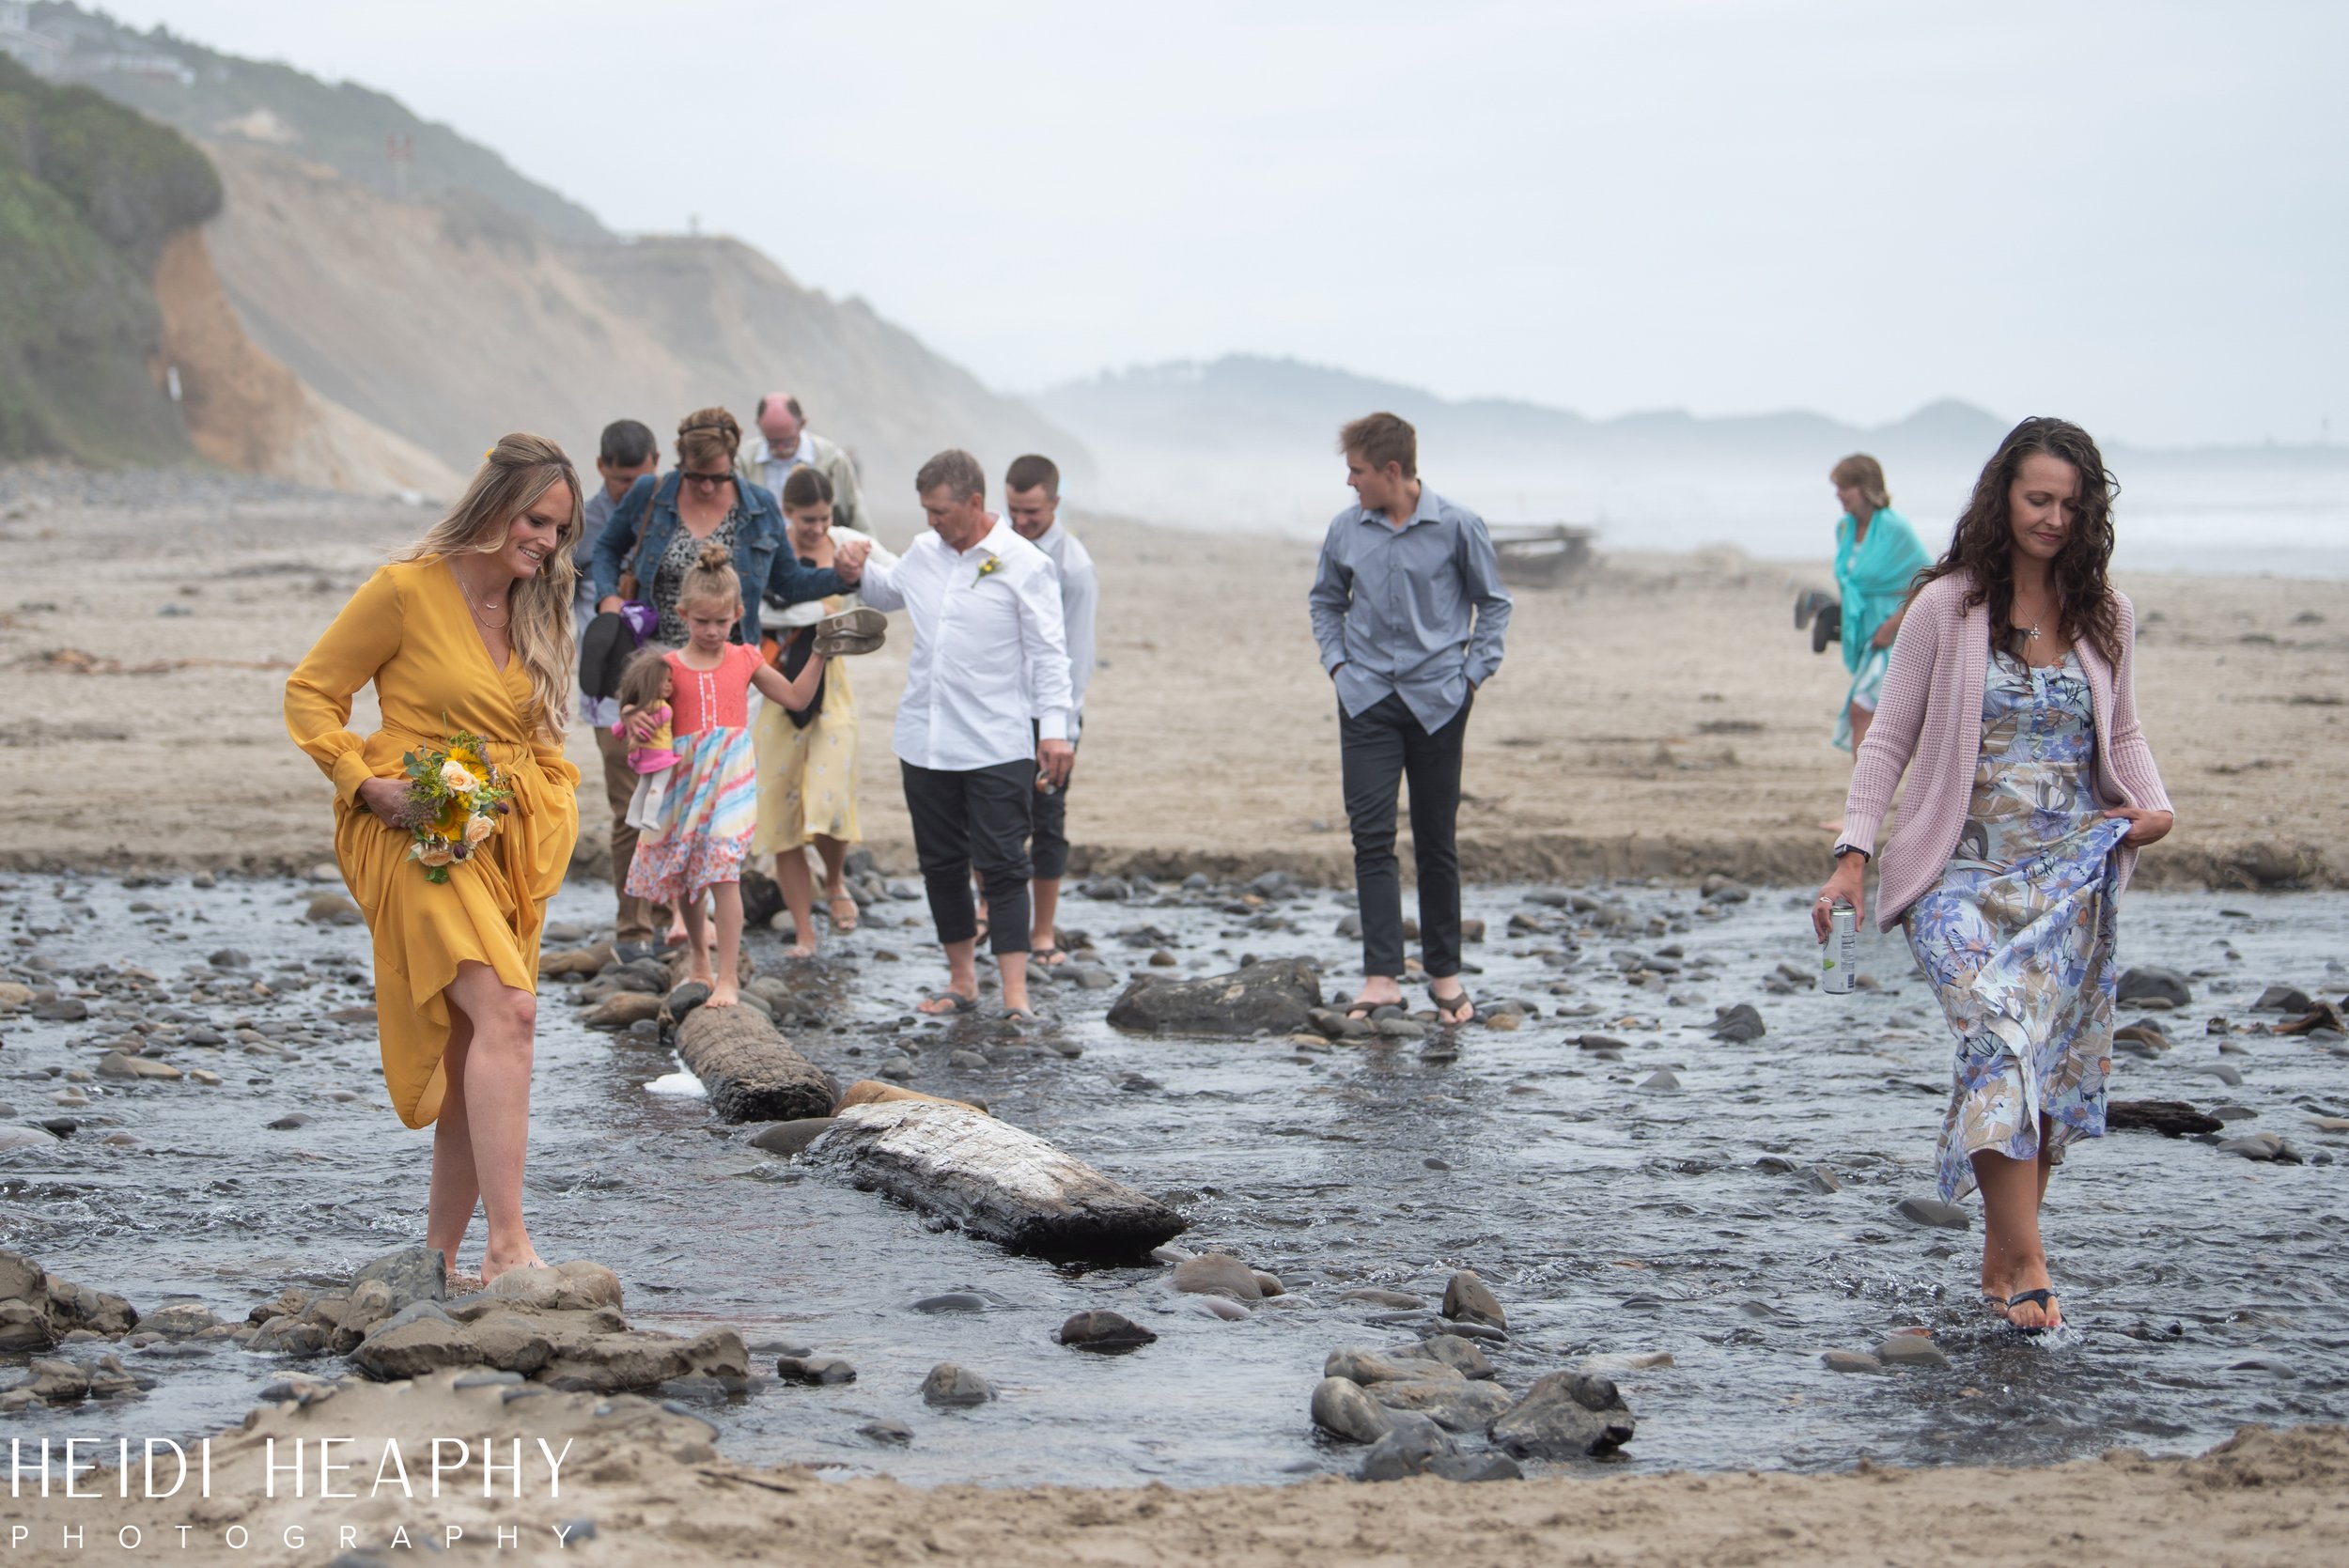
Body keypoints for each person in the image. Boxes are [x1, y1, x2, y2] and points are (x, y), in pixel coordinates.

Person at [1815, 416, 2173, 1333]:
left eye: (2069, 503)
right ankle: (2029, 1259)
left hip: (2069, 873)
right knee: (1997, 1040)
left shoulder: (2105, 612)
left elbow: (2121, 733)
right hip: (1957, 873)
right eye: (2036, 499)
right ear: (2002, 498)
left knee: (2048, 1070)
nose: (2052, 517)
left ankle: (2000, 1248)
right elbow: (1888, 737)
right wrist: (1851, 859)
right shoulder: (1949, 607)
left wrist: (2151, 803)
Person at [285, 433, 583, 1283]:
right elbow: (311, 690)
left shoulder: (535, 602)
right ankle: (510, 1245)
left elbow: (536, 729)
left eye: (559, 529)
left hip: (498, 836)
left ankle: (437, 1257)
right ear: (492, 506)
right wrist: (360, 782)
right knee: (512, 1013)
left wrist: (543, 794)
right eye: (535, 520)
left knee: (471, 1045)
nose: (546, 542)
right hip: (413, 826)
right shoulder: (405, 591)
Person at [1308, 411, 1511, 1026]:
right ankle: (1381, 978)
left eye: (1358, 470)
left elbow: (1493, 604)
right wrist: (1340, 669)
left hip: (1439, 702)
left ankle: (1444, 975)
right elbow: (1324, 601)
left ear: (1392, 471)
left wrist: (1473, 677)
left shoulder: (1458, 526)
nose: (1350, 482)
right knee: (1370, 838)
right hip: (1365, 699)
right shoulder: (1346, 530)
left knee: (1435, 839)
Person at [856, 449, 1073, 1018]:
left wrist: (1056, 732)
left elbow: (1051, 655)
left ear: (974, 503)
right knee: (941, 864)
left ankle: (1016, 996)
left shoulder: (1024, 564)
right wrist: (852, 568)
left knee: (1003, 864)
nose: (931, 521)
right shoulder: (924, 552)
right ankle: (961, 982)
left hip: (997, 742)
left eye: (940, 511)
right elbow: (884, 594)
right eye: (925, 510)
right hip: (923, 741)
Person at [624, 543, 831, 1007]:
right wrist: (634, 720)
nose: (713, 631)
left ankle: (728, 978)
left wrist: (818, 653)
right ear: (682, 614)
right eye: (702, 622)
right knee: (688, 878)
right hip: (684, 781)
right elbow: (636, 716)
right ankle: (699, 957)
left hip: (732, 783)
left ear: (739, 613)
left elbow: (796, 698)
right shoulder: (668, 668)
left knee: (724, 874)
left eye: (722, 621)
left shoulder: (747, 659)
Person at [752, 466, 897, 956]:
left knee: (829, 797)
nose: (817, 528)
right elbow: (748, 607)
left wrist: (865, 566)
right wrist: (817, 615)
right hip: (775, 683)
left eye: (824, 517)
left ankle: (835, 881)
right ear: (787, 513)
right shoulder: (769, 544)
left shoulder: (848, 543)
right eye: (806, 519)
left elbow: (896, 588)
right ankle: (805, 932)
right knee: (781, 812)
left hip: (831, 686)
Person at [1002, 453, 1097, 964]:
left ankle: (1041, 931)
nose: (1020, 522)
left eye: (1032, 513)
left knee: (1047, 821)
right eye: (1013, 510)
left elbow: (1077, 657)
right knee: (992, 816)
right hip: (999, 708)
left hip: (1050, 715)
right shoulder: (997, 547)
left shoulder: (1073, 567)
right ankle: (990, 918)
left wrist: (1064, 728)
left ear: (1055, 504)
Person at [576, 419, 661, 959]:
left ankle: (677, 921)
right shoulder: (579, 526)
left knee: (673, 802)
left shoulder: (675, 511)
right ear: (602, 466)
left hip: (669, 681)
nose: (628, 490)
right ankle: (634, 931)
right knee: (628, 806)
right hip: (608, 689)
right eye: (619, 480)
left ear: (657, 462)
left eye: (639, 479)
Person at [1827, 454, 1931, 755]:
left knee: (1861, 708)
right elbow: (1851, 582)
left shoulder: (1894, 528)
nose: (1839, 495)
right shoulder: (1844, 529)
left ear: (1866, 487)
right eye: (1837, 487)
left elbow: (1927, 579)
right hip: (1863, 635)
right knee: (1877, 717)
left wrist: (1892, 625)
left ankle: (1863, 794)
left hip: (1892, 636)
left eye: (1845, 487)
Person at [738, 391, 867, 535]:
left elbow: (855, 512)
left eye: (787, 441)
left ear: (802, 423)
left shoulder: (831, 460)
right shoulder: (744, 461)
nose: (780, 449)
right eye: (773, 442)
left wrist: (866, 549)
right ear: (759, 426)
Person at [613, 645, 681, 834]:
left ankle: (633, 816)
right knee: (657, 787)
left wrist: (627, 733)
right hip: (661, 755)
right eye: (663, 681)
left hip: (645, 755)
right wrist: (638, 737)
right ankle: (649, 818)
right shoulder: (664, 709)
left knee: (642, 786)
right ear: (650, 684)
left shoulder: (640, 707)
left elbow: (618, 729)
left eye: (670, 680)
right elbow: (647, 730)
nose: (669, 685)